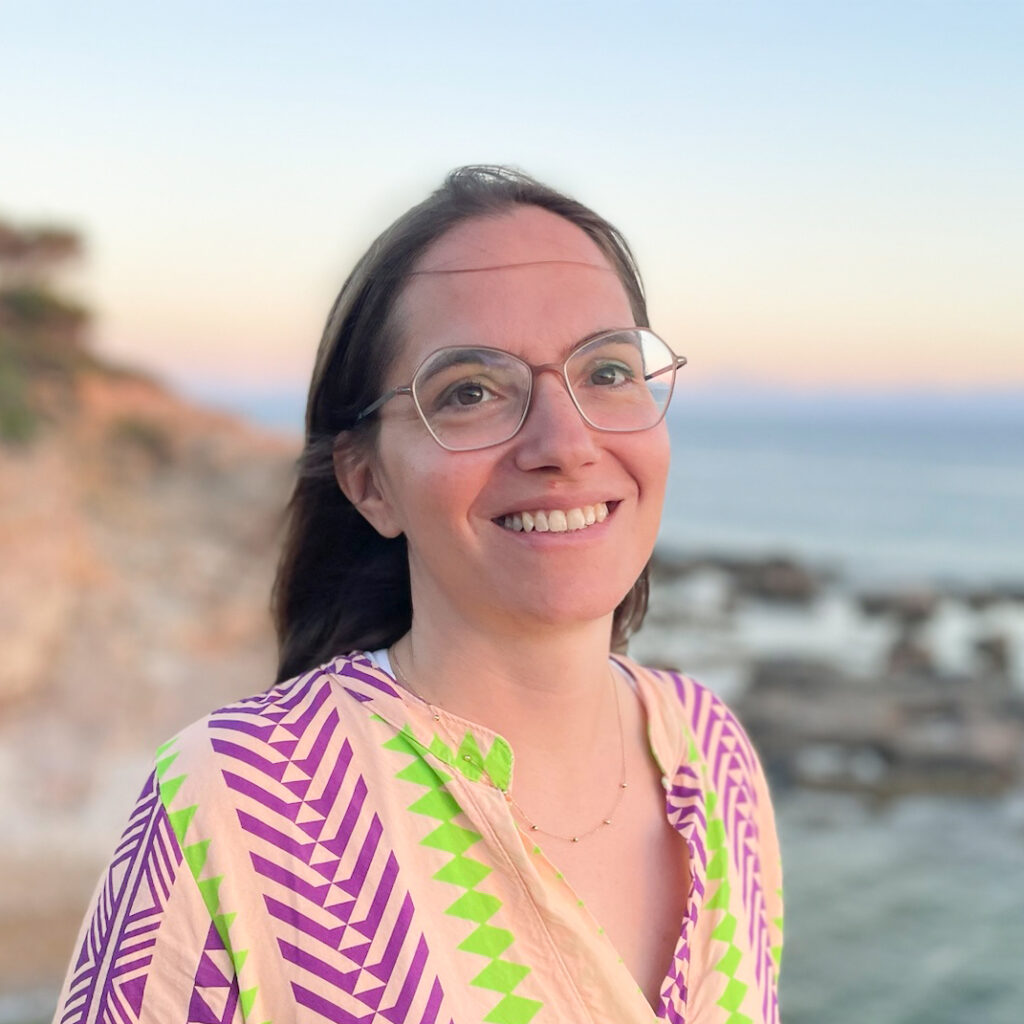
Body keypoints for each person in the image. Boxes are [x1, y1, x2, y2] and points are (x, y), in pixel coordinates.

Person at [53, 166, 782, 1024]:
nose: (566, 442)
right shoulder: (234, 805)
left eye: (608, 371)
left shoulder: (714, 752)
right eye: (470, 392)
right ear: (369, 483)